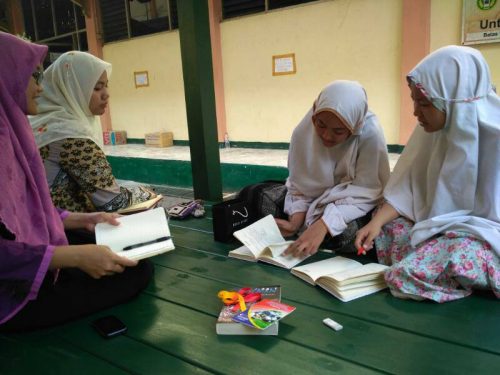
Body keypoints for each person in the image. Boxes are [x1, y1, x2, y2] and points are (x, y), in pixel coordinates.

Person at [0, 32, 153, 332]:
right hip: (12, 293)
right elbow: (111, 199)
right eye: (32, 75)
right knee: (135, 269)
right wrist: (75, 256)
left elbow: (24, 212)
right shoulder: (68, 137)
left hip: (38, 252)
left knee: (125, 262)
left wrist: (78, 219)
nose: (40, 87)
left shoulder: (14, 134)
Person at [355, 45, 500, 302]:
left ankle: (423, 268)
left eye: (424, 103)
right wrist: (375, 224)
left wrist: (462, 234)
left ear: (454, 100)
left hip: (479, 241)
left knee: (462, 252)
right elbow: (407, 192)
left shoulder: (496, 139)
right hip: (437, 232)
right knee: (389, 224)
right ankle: (428, 269)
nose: (414, 112)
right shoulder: (430, 133)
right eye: (414, 100)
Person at [29, 51, 156, 213]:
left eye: (106, 85)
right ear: (72, 90)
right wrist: (151, 193)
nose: (106, 95)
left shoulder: (44, 122)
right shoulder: (69, 134)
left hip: (44, 219)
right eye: (96, 88)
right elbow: (112, 203)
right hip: (65, 230)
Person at [277, 80, 390, 257]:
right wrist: (295, 223)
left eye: (338, 131)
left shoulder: (370, 134)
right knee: (262, 200)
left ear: (355, 126)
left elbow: (368, 192)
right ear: (314, 114)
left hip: (351, 202)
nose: (327, 136)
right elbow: (300, 186)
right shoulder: (303, 132)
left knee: (347, 235)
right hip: (314, 204)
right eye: (320, 125)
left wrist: (324, 225)